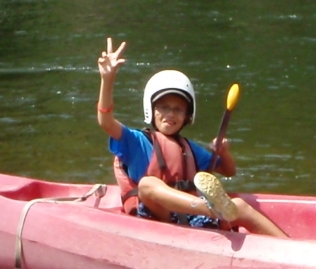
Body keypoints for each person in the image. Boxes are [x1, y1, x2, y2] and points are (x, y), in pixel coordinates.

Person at [96, 37, 287, 237]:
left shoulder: (189, 149)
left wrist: (224, 152)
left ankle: (294, 251)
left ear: (187, 116)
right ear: (151, 110)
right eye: (164, 107)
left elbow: (228, 171)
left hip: (190, 221)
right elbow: (105, 121)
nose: (170, 114)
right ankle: (210, 208)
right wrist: (107, 80)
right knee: (147, 184)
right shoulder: (136, 141)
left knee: (240, 206)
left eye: (178, 109)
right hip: (153, 221)